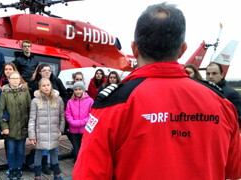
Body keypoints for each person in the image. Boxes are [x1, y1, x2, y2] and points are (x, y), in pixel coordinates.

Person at [73, 3, 241, 180]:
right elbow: (234, 170)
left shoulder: (113, 104)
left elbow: (88, 175)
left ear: (134, 48)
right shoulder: (221, 102)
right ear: (182, 50)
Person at [30, 63, 67, 174]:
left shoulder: (57, 90)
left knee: (53, 150)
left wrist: (60, 129)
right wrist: (32, 134)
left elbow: (61, 115)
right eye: (44, 70)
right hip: (41, 128)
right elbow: (32, 118)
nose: (47, 72)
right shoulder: (36, 99)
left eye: (49, 70)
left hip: (53, 126)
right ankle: (41, 169)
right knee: (40, 151)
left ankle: (56, 173)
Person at [0, 71, 31, 180]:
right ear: (9, 80)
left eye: (17, 78)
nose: (15, 80)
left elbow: (30, 108)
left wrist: (29, 124)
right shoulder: (5, 93)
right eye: (13, 78)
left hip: (22, 127)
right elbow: (1, 110)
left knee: (20, 150)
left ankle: (18, 168)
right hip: (10, 127)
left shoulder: (25, 92)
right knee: (11, 150)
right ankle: (12, 169)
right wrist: (4, 126)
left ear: (19, 79)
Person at [206, 61, 241, 127]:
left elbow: (238, 118)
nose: (210, 76)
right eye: (208, 74)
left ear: (222, 75)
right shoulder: (204, 91)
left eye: (214, 73)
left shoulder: (232, 94)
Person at [65, 82, 93, 163]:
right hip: (74, 130)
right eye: (76, 90)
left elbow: (92, 114)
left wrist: (81, 122)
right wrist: (73, 123)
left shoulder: (90, 101)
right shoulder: (70, 101)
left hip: (85, 130)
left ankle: (85, 164)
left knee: (85, 148)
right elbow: (68, 114)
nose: (78, 91)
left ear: (83, 90)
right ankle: (78, 164)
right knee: (76, 148)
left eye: (80, 89)